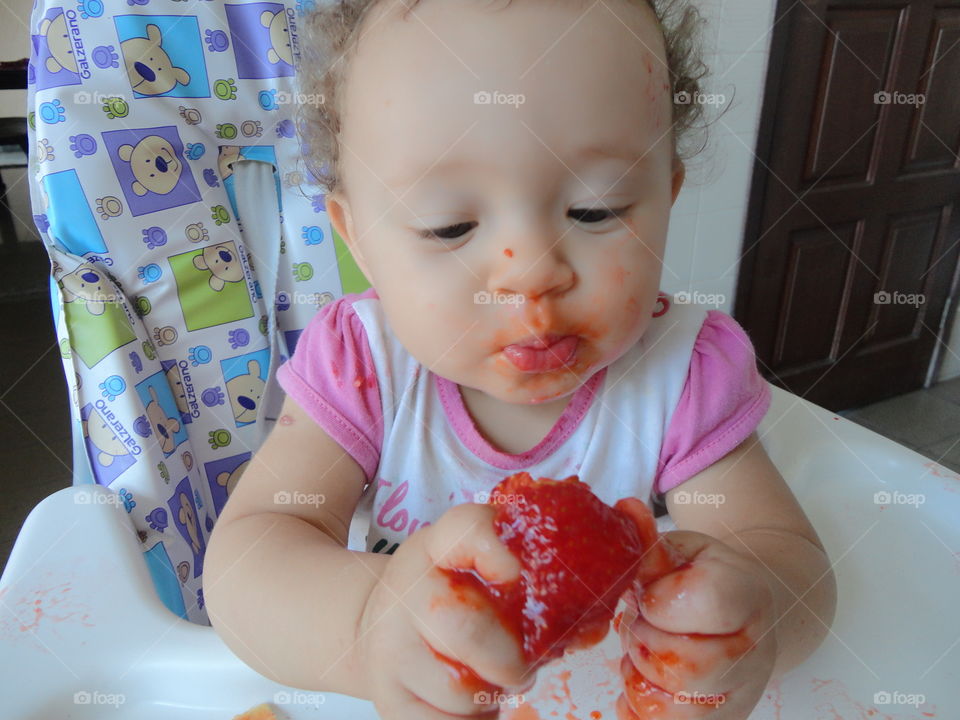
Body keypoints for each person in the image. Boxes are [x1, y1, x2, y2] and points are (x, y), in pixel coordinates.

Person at [205, 1, 837, 718]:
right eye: (450, 224)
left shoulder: (683, 373)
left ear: (667, 193)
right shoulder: (361, 367)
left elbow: (790, 560)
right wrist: (365, 626)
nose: (531, 271)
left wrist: (752, 616)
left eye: (596, 209)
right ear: (356, 236)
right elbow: (248, 561)